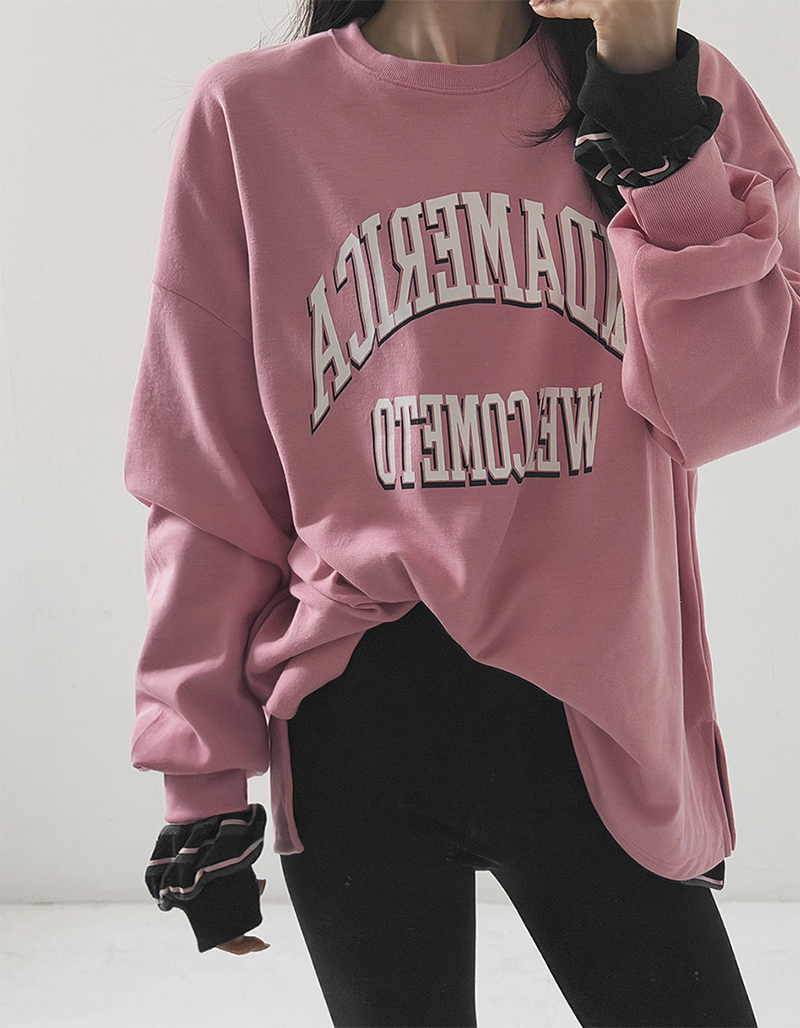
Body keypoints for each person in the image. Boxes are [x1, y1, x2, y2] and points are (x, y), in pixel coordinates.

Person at [126, 0, 800, 1023]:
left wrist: (649, 110)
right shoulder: (250, 114)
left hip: (600, 728)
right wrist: (201, 788)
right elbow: (207, 473)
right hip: (357, 727)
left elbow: (734, 401)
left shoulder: (677, 88)